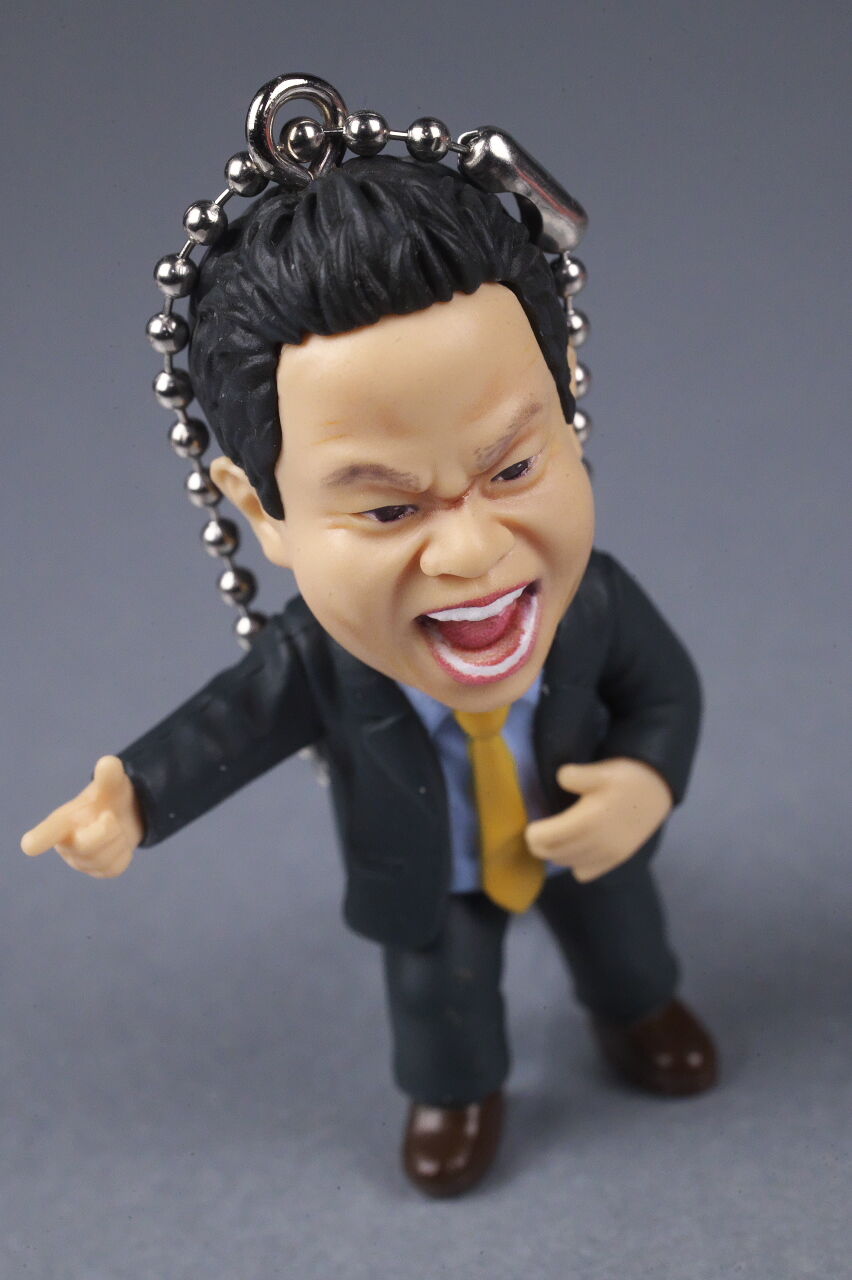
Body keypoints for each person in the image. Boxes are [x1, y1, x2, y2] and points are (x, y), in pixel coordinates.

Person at [21, 156, 716, 1197]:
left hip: (581, 835)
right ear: (265, 513)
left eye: (514, 468)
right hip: (432, 865)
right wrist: (133, 798)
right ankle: (458, 1092)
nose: (473, 552)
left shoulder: (596, 603)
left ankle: (638, 1011)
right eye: (389, 509)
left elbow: (666, 693)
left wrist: (645, 782)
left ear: (569, 400)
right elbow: (229, 724)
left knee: (627, 942)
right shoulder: (323, 656)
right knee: (441, 995)